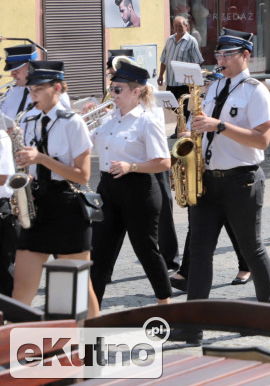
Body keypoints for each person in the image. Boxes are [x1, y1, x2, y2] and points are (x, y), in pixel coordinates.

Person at [180, 29, 270, 331]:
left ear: (245, 56)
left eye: (226, 55)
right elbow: (204, 127)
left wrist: (219, 126)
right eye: (218, 55)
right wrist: (190, 134)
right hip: (208, 180)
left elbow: (262, 140)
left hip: (242, 181)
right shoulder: (214, 86)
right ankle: (192, 325)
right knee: (199, 251)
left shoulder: (255, 90)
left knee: (252, 248)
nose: (220, 60)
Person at [11, 61, 100, 318]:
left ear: (57, 88)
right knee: (21, 290)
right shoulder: (27, 119)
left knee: (79, 288)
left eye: (38, 89)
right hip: (36, 206)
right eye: (31, 90)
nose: (33, 95)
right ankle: (12, 351)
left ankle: (95, 346)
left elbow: (82, 175)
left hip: (67, 208)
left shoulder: (73, 123)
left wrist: (41, 159)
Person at [89, 59, 173, 308]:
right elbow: (86, 145)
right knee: (99, 252)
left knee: (146, 250)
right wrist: (82, 120)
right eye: (111, 88)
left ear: (136, 92)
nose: (112, 94)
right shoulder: (109, 119)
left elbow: (164, 162)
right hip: (108, 188)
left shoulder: (147, 121)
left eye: (118, 89)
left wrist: (131, 166)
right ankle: (91, 312)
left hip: (139, 189)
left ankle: (165, 303)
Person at [158, 15, 204, 101]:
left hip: (184, 85)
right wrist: (160, 76)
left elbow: (197, 62)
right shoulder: (169, 40)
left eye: (180, 26)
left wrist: (196, 82)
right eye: (175, 26)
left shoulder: (191, 41)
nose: (178, 28)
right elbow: (164, 60)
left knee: (184, 111)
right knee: (173, 107)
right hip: (171, 82)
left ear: (186, 26)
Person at [0, 121, 17, 296]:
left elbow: (2, 177)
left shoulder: (1, 136)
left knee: (4, 268)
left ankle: (13, 316)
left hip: (1, 208)